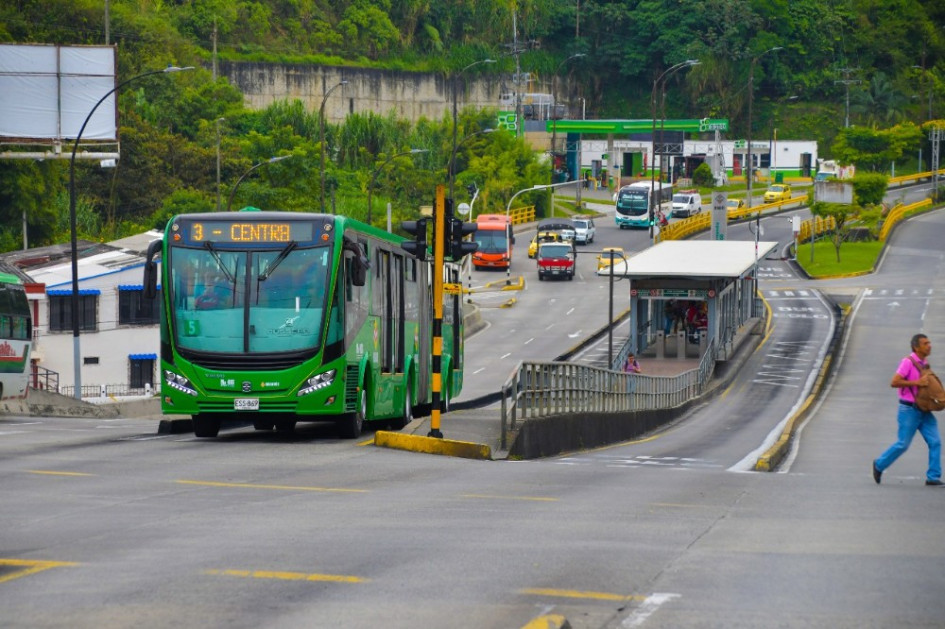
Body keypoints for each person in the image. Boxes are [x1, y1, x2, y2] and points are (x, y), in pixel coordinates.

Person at [873, 334, 943, 486]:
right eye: (925, 343)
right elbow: (894, 382)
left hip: (924, 410)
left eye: (929, 342)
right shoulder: (907, 362)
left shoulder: (925, 363)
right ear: (916, 347)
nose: (929, 345)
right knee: (903, 444)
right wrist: (917, 382)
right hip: (909, 410)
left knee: (936, 442)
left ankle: (933, 477)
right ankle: (879, 464)